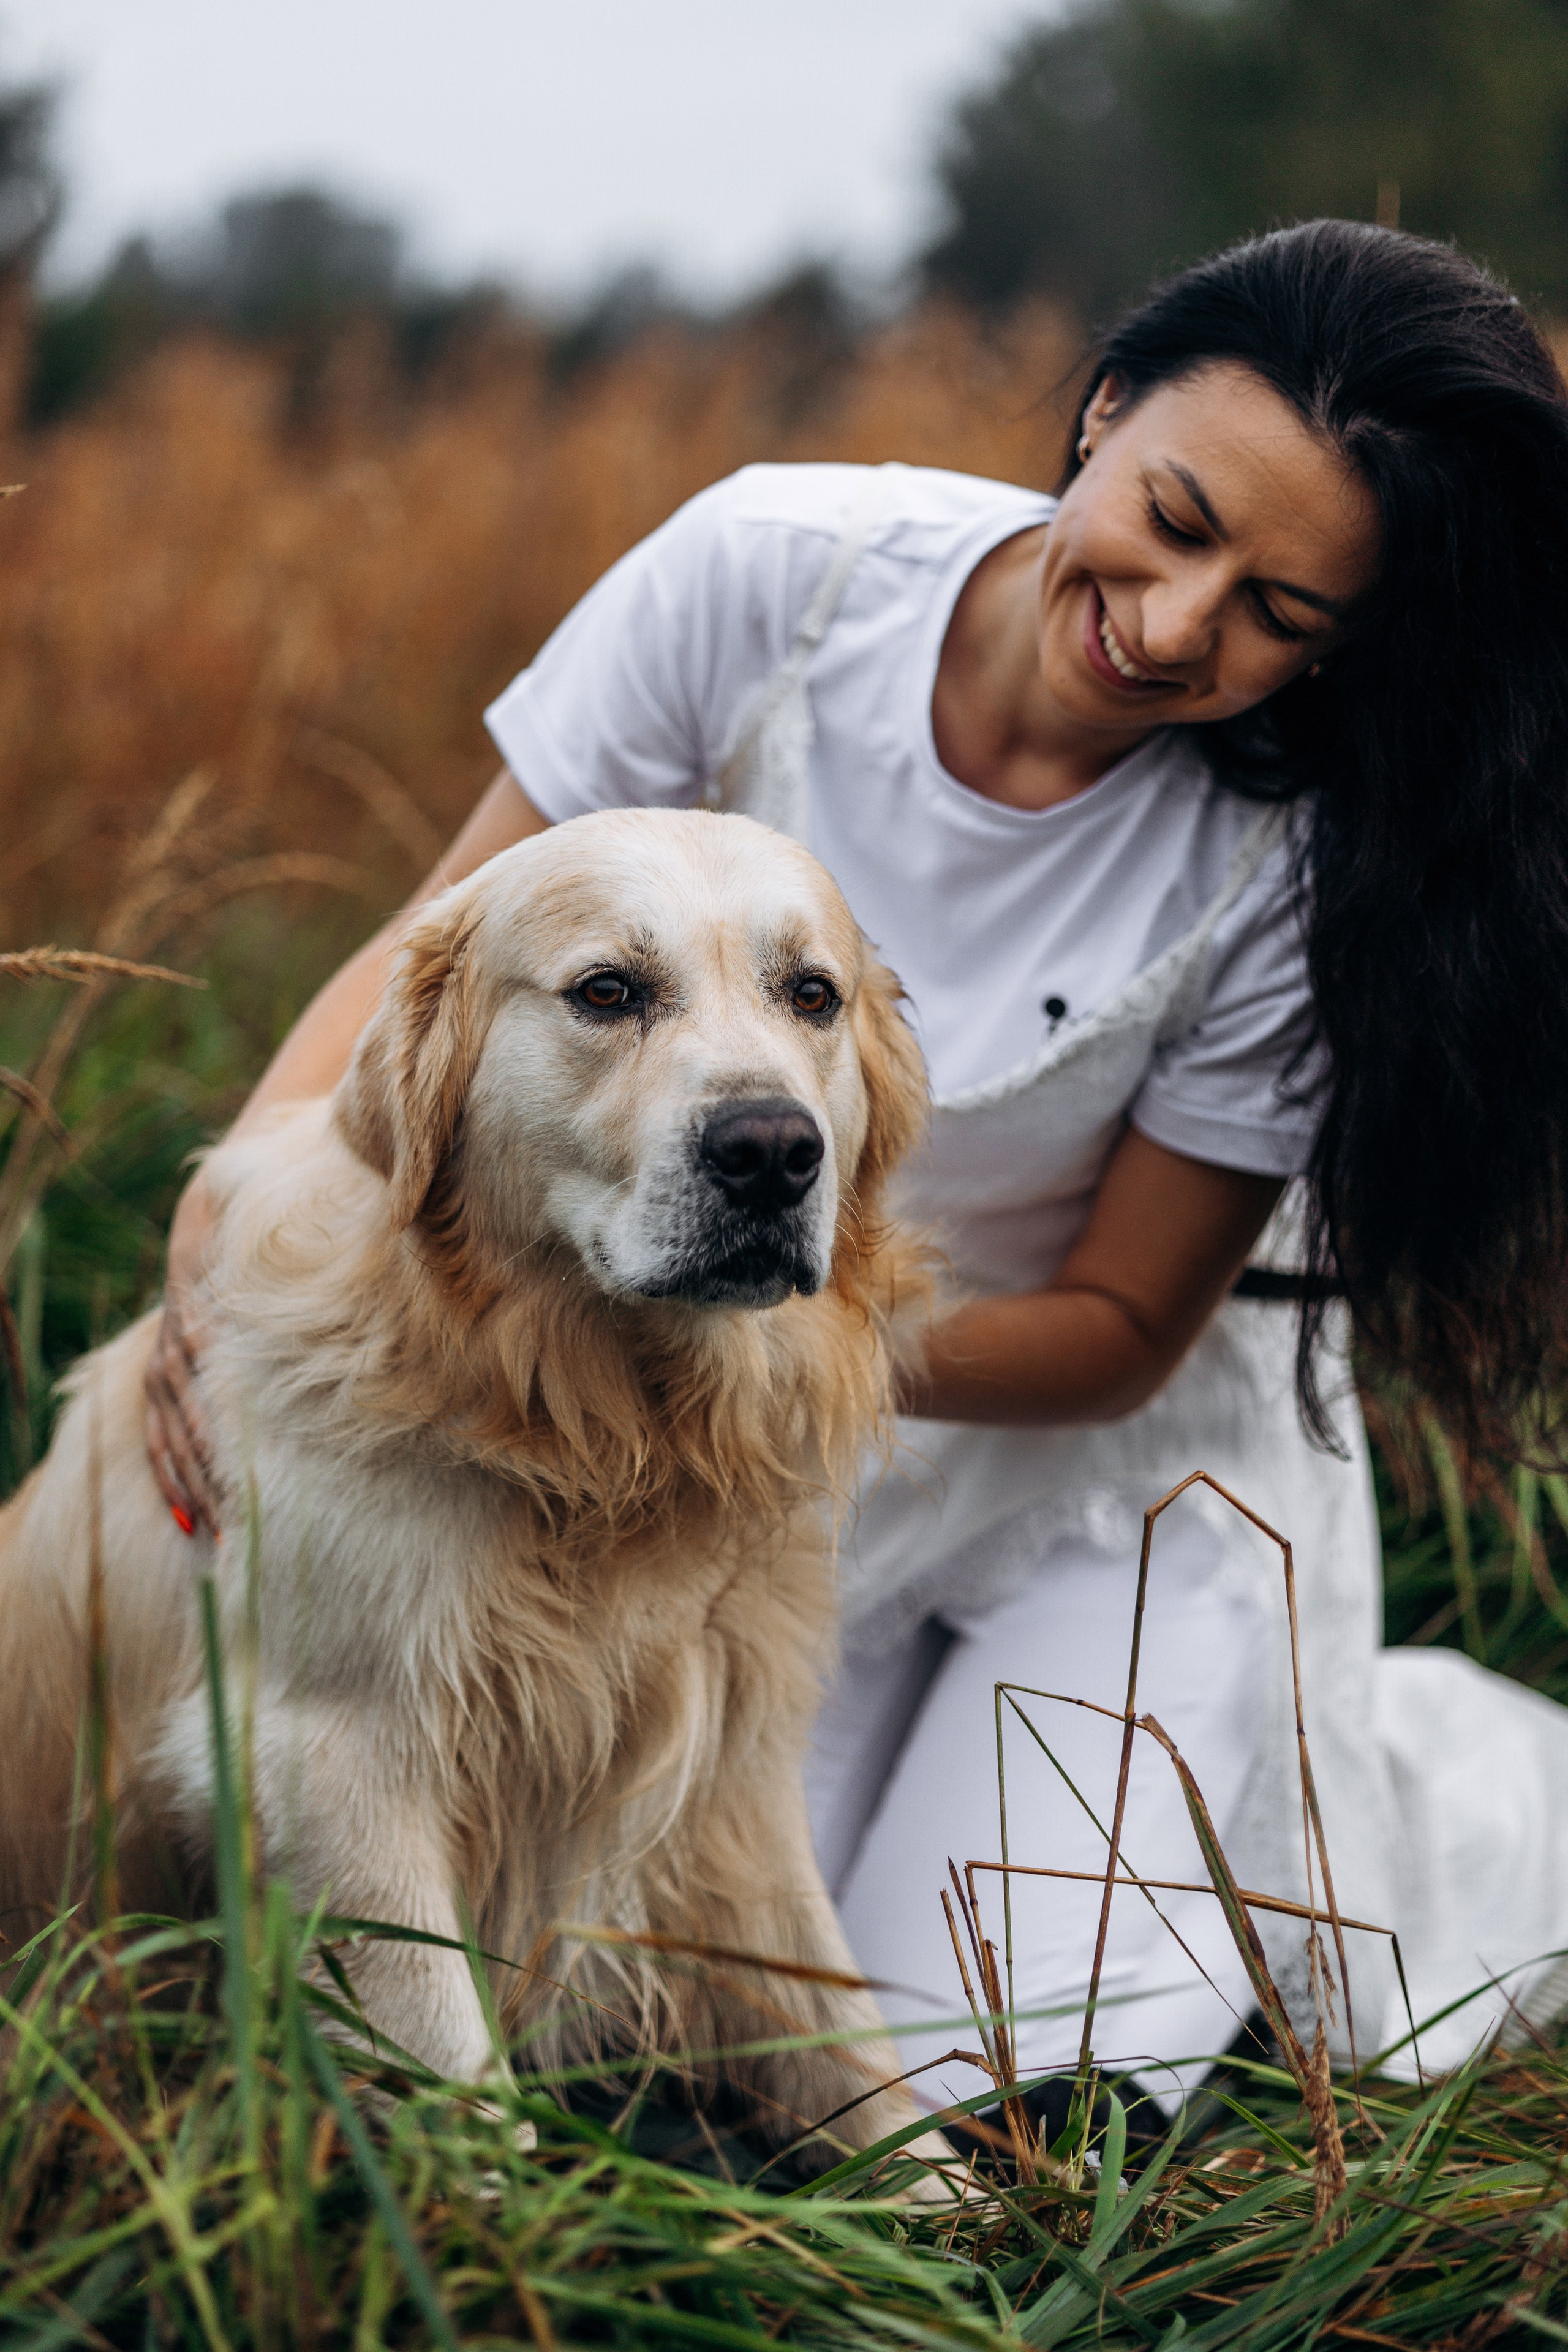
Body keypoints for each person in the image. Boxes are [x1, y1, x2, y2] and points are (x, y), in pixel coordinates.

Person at [146, 220, 1568, 2108]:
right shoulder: (773, 573)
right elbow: (442, 952)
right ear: (1109, 408)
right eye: (1173, 515)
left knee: (985, 2067)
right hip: (722, 1456)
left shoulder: (1305, 862)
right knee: (644, 1998)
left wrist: (767, 1344)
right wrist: (227, 1205)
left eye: (1277, 617)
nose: (1170, 624)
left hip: (1097, 1486)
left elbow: (1129, 1328)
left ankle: (1450, 1796)